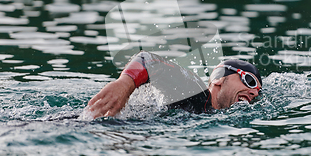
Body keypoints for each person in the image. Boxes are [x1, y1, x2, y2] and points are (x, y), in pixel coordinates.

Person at [86, 51, 262, 118]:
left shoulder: (213, 115)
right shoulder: (194, 90)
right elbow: (149, 59)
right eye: (249, 81)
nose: (253, 92)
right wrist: (124, 84)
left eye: (257, 92)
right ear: (219, 78)